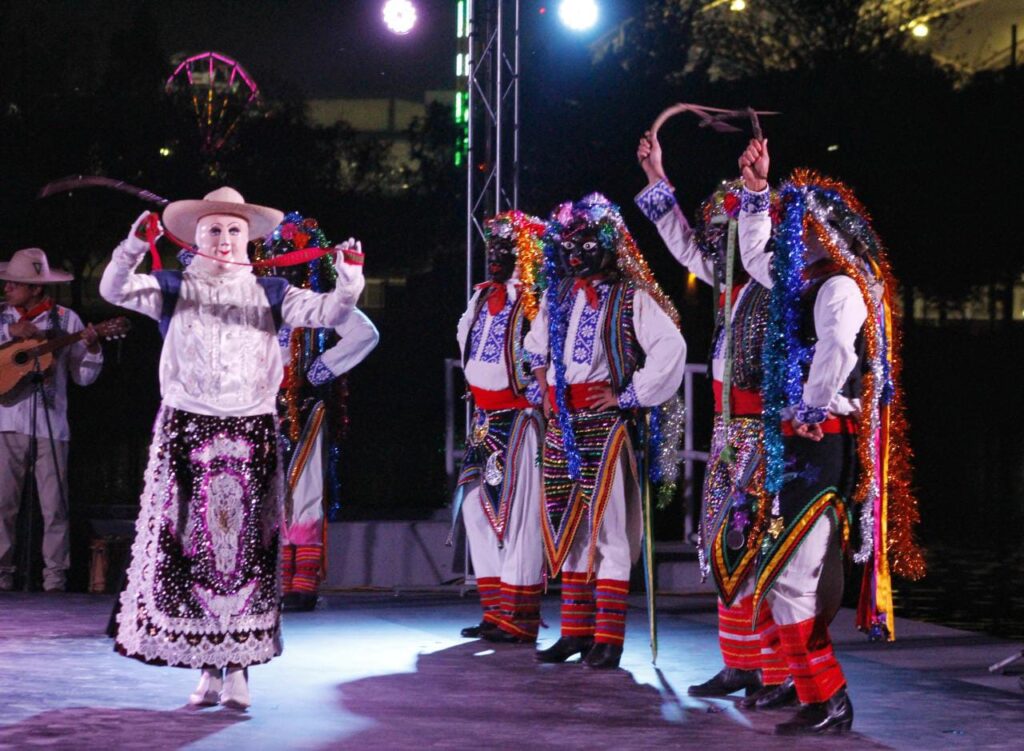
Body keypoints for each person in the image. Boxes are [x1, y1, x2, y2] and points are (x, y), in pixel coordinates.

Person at [100, 187, 365, 710]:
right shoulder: (174, 286)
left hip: (251, 432)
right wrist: (132, 247)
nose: (224, 239)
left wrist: (349, 273)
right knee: (192, 551)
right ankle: (205, 665)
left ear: (249, 239)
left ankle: (240, 666)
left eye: (234, 231)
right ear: (196, 237)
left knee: (247, 554)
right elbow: (113, 290)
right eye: (214, 230)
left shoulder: (272, 291)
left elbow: (334, 312)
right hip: (188, 429)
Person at [737, 139, 922, 734]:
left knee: (795, 572)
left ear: (824, 230)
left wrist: (810, 404)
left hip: (824, 439)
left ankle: (828, 696)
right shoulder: (801, 276)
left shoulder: (841, 286)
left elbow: (839, 350)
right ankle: (817, 693)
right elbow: (753, 258)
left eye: (797, 224)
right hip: (797, 438)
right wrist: (757, 193)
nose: (789, 235)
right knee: (781, 572)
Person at [634, 133, 792, 708]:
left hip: (770, 438)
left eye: (732, 231)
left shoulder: (784, 284)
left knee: (768, 549)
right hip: (730, 433)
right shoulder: (732, 287)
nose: (720, 243)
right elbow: (681, 244)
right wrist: (658, 175)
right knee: (724, 544)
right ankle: (740, 664)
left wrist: (756, 188)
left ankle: (779, 673)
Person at [525, 193, 686, 669]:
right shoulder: (557, 299)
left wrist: (628, 396)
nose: (577, 254)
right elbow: (535, 351)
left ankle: (609, 639)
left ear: (609, 245)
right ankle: (575, 632)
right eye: (570, 245)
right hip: (563, 423)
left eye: (587, 242)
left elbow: (671, 347)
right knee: (568, 527)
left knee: (611, 532)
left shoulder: (631, 298)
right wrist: (546, 390)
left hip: (604, 424)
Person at [257, 213, 379, 612]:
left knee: (305, 495)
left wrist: (322, 367)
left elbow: (365, 333)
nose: (279, 264)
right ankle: (272, 580)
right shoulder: (263, 298)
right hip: (261, 407)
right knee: (266, 494)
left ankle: (303, 585)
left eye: (288, 256)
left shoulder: (318, 303)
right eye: (274, 256)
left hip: (305, 407)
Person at [454, 210, 546, 644]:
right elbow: (464, 339)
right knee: (475, 509)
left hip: (519, 419)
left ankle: (520, 614)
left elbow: (545, 353)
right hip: (483, 421)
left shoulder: (534, 301)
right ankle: (493, 608)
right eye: (491, 248)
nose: (496, 256)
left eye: (506, 249)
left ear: (523, 255)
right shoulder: (480, 299)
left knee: (518, 517)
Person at [0, 248, 103, 593]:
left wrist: (90, 348)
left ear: (36, 288)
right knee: (2, 506)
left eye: (17, 283)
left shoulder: (67, 320)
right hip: (6, 422)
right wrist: (10, 330)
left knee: (54, 508)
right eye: (9, 281)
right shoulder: (1, 317)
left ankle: (54, 581)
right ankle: (1, 577)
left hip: (51, 424)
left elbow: (84, 378)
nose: (8, 286)